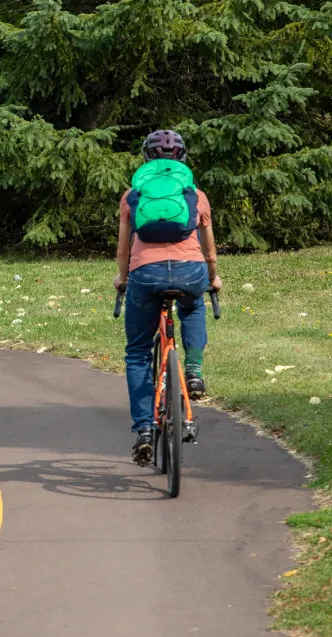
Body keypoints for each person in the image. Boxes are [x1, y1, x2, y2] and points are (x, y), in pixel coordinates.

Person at [114, 130, 222, 463]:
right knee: (191, 308)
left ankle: (145, 429)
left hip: (145, 275)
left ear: (146, 158)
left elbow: (123, 248)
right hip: (190, 271)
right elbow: (210, 250)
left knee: (137, 352)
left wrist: (122, 278)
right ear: (183, 158)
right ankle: (193, 370)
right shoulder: (195, 194)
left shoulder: (133, 195)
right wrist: (214, 278)